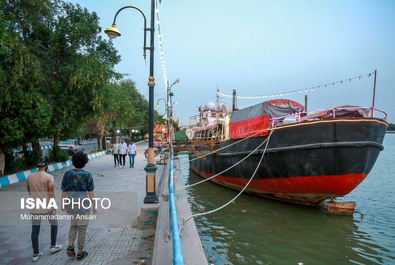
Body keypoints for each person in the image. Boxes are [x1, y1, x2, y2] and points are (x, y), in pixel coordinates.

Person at [26, 156, 62, 262]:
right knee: (54, 225)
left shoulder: (29, 177)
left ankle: (36, 254)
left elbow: (29, 191)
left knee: (35, 230)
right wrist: (54, 208)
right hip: (47, 207)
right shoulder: (49, 177)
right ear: (46, 165)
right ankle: (53, 246)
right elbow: (51, 193)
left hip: (34, 207)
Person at [61, 152, 96, 261]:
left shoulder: (67, 174)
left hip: (71, 204)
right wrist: (94, 205)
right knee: (82, 228)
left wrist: (62, 203)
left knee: (73, 225)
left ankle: (71, 246)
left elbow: (64, 190)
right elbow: (90, 192)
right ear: (85, 162)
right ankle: (80, 252)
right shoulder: (87, 175)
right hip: (83, 206)